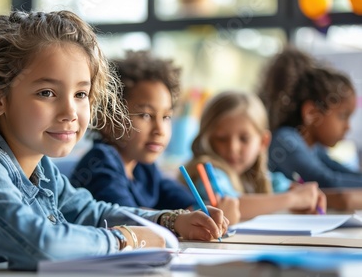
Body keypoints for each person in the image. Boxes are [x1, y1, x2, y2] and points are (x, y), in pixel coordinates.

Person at [0, 11, 228, 271]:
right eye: (47, 93)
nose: (70, 112)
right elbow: (39, 243)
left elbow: (92, 211)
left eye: (81, 94)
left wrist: (170, 221)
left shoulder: (41, 170)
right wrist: (126, 239)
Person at [70, 50, 239, 220]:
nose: (159, 129)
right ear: (108, 121)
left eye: (166, 117)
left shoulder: (142, 168)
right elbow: (127, 218)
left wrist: (207, 212)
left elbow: (178, 197)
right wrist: (178, 219)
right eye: (145, 115)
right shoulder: (100, 163)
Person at [183, 91, 326, 221]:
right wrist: (293, 199)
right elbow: (233, 205)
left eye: (244, 139)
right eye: (221, 138)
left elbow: (281, 186)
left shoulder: (257, 176)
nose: (233, 148)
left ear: (263, 142)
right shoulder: (208, 173)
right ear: (207, 139)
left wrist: (305, 194)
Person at [258, 46, 362, 188]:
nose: (348, 126)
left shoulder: (313, 147)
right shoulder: (286, 140)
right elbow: (328, 181)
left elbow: (340, 171)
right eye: (342, 116)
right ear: (311, 113)